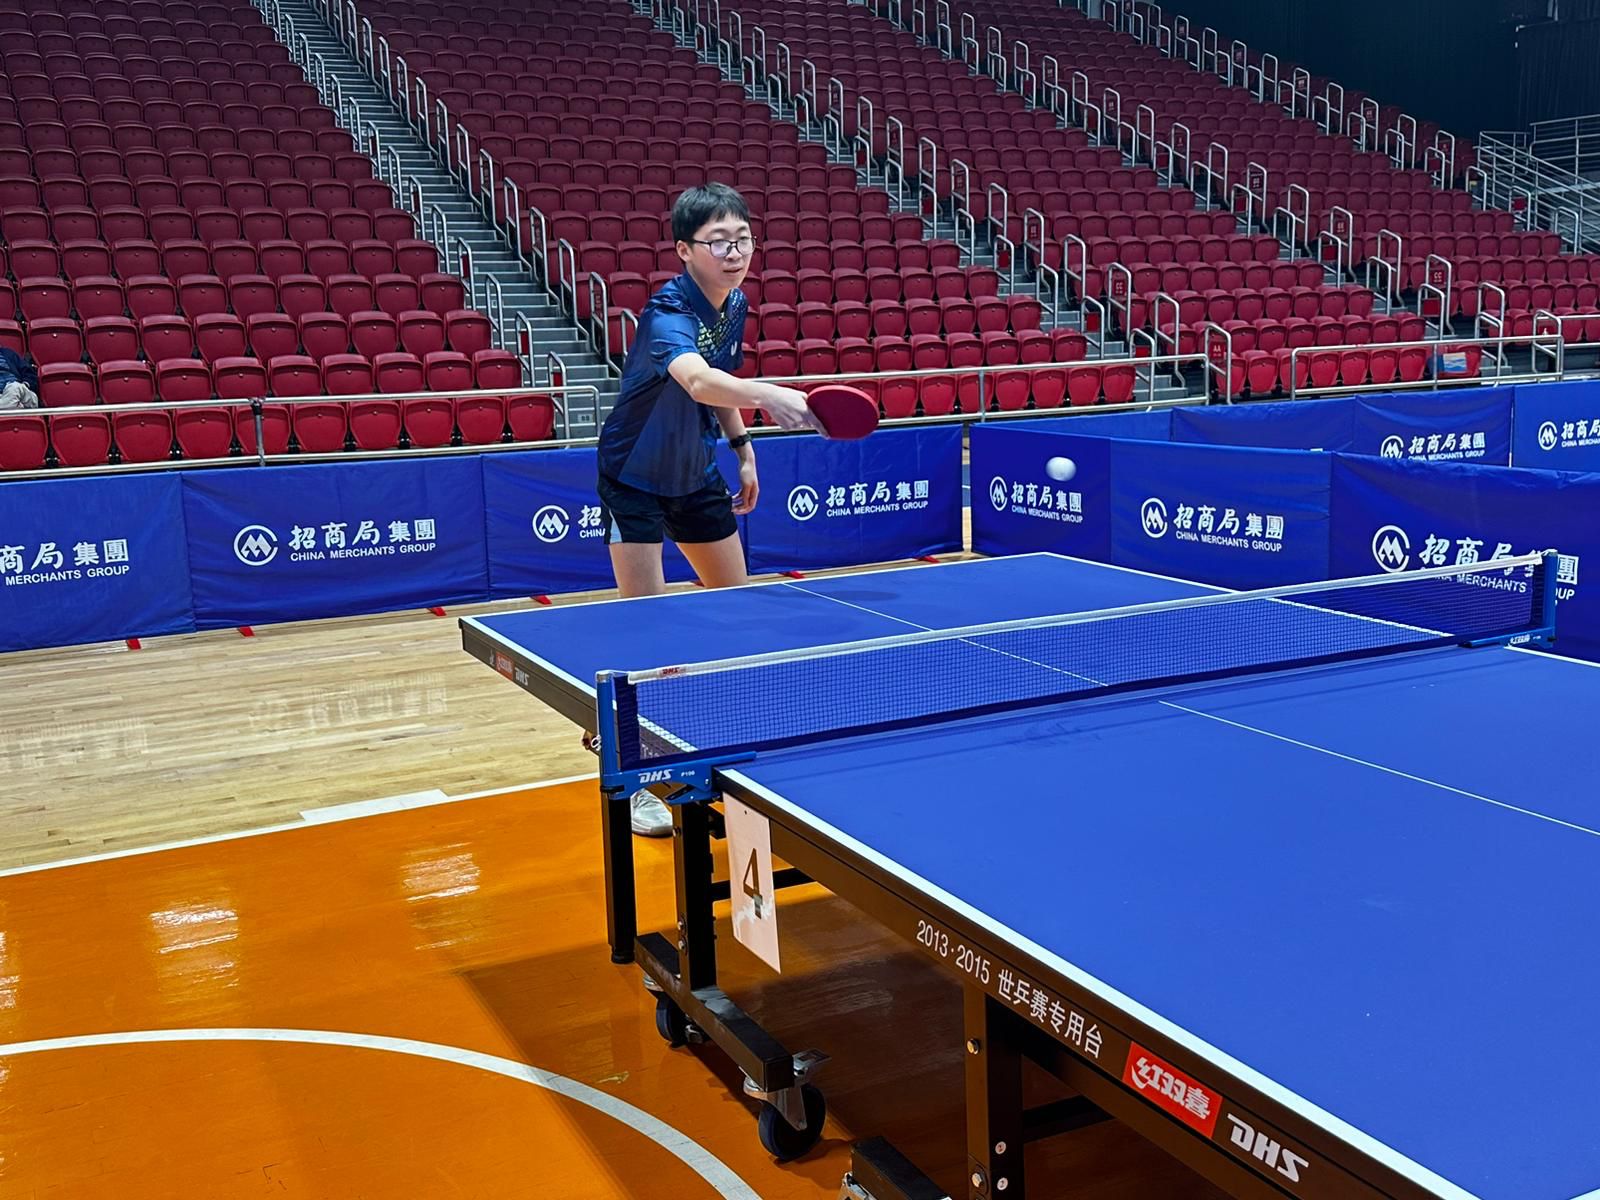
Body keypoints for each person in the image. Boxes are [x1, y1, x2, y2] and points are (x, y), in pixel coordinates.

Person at [595, 183, 818, 836]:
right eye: (719, 242)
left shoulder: (735, 303)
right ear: (684, 250)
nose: (734, 252)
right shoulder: (667, 312)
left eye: (742, 238)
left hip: (693, 472)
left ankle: (725, 741)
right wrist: (769, 395)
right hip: (634, 476)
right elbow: (696, 377)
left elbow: (719, 383)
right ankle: (636, 776)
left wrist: (743, 449)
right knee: (648, 628)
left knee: (736, 609)